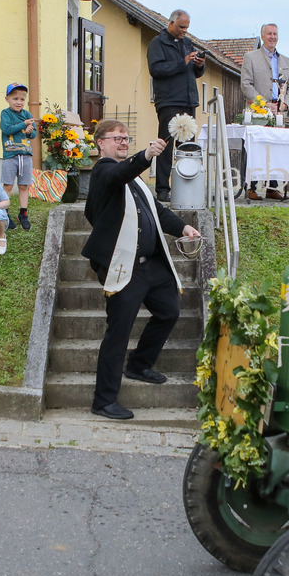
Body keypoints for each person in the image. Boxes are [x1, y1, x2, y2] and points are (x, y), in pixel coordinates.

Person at [81, 119, 201, 420]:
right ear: (101, 143)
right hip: (123, 267)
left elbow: (157, 211)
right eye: (117, 138)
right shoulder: (103, 172)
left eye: (126, 138)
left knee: (169, 311)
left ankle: (138, 364)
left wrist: (183, 226)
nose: (123, 142)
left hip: (152, 266)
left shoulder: (134, 181)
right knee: (118, 332)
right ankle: (103, 401)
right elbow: (120, 172)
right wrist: (146, 156)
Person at [146, 10, 204, 202]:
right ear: (171, 23)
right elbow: (155, 69)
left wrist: (199, 65)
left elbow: (194, 73)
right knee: (165, 145)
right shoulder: (157, 43)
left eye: (187, 27)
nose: (184, 31)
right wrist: (182, 62)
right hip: (169, 101)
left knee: (187, 147)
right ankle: (162, 189)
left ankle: (186, 186)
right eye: (181, 27)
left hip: (188, 100)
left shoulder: (188, 43)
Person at [240, 23, 289, 201]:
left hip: (280, 112)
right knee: (256, 149)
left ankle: (272, 188)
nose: (272, 37)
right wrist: (262, 104)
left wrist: (285, 104)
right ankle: (251, 187)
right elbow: (246, 84)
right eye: (269, 34)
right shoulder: (251, 57)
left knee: (277, 149)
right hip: (259, 112)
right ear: (263, 36)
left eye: (275, 34)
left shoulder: (285, 61)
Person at [0, 82, 36, 230]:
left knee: (24, 185)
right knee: (7, 185)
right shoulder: (5, 113)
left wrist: (29, 130)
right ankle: (4, 213)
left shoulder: (27, 114)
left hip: (26, 155)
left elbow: (33, 133)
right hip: (11, 155)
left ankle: (23, 213)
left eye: (22, 99)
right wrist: (23, 125)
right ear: (7, 99)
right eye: (15, 98)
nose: (19, 102)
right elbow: (6, 129)